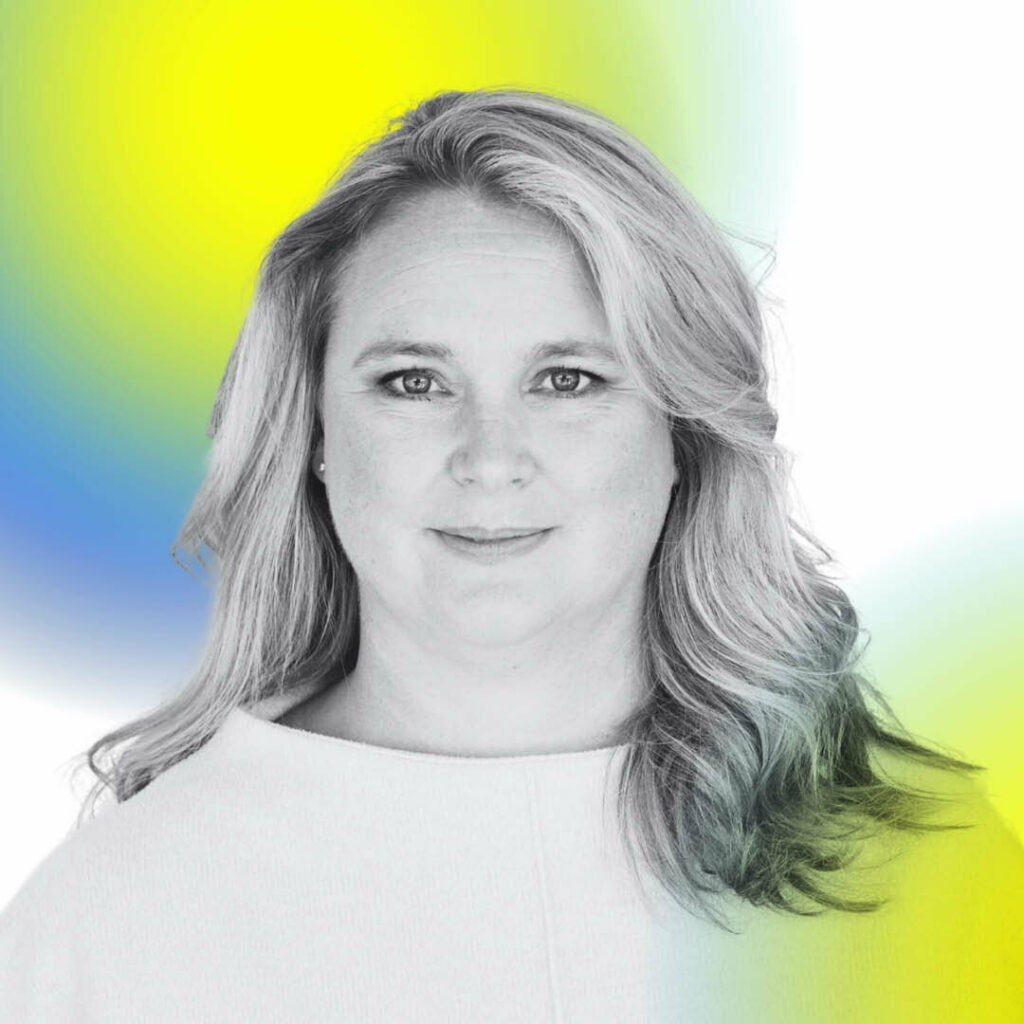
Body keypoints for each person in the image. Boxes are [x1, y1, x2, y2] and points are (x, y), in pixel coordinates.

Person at [1, 88, 1020, 1022]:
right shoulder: (110, 921)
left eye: (568, 379)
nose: (490, 460)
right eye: (413, 382)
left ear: (683, 430)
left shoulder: (927, 873)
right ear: (312, 432)